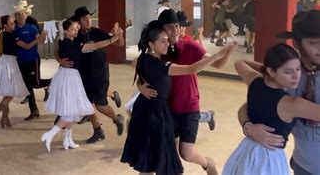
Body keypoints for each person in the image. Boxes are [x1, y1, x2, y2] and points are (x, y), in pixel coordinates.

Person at [121, 20, 230, 175]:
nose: (167, 44)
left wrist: (141, 85)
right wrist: (217, 55)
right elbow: (192, 69)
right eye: (163, 41)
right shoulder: (160, 66)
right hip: (155, 114)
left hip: (148, 111)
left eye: (167, 41)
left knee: (150, 158)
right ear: (152, 45)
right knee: (157, 158)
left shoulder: (144, 59)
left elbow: (138, 69)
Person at [238, 10, 320, 175]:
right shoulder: (288, 76)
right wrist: (249, 127)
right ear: (297, 44)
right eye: (314, 42)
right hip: (304, 166)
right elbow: (249, 106)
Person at [224, 44, 320, 174]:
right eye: (288, 71)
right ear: (271, 71)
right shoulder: (291, 104)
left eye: (298, 69)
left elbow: (240, 63)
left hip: (245, 152)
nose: (296, 76)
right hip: (267, 161)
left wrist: (267, 72)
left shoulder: (254, 80)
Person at [41, 19, 122, 152]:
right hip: (68, 77)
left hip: (70, 76)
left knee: (72, 111)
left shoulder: (67, 41)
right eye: (73, 29)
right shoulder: (69, 44)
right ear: (66, 31)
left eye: (76, 29)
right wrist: (113, 39)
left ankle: (68, 139)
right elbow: (94, 46)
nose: (76, 31)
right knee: (72, 112)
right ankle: (49, 135)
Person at [56, 6, 126, 143]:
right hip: (82, 74)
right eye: (84, 19)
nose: (88, 21)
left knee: (100, 105)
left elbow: (120, 43)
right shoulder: (73, 35)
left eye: (89, 18)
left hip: (100, 73)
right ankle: (98, 130)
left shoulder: (97, 32)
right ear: (78, 21)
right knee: (86, 105)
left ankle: (116, 119)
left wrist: (119, 35)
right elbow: (58, 51)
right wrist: (60, 60)